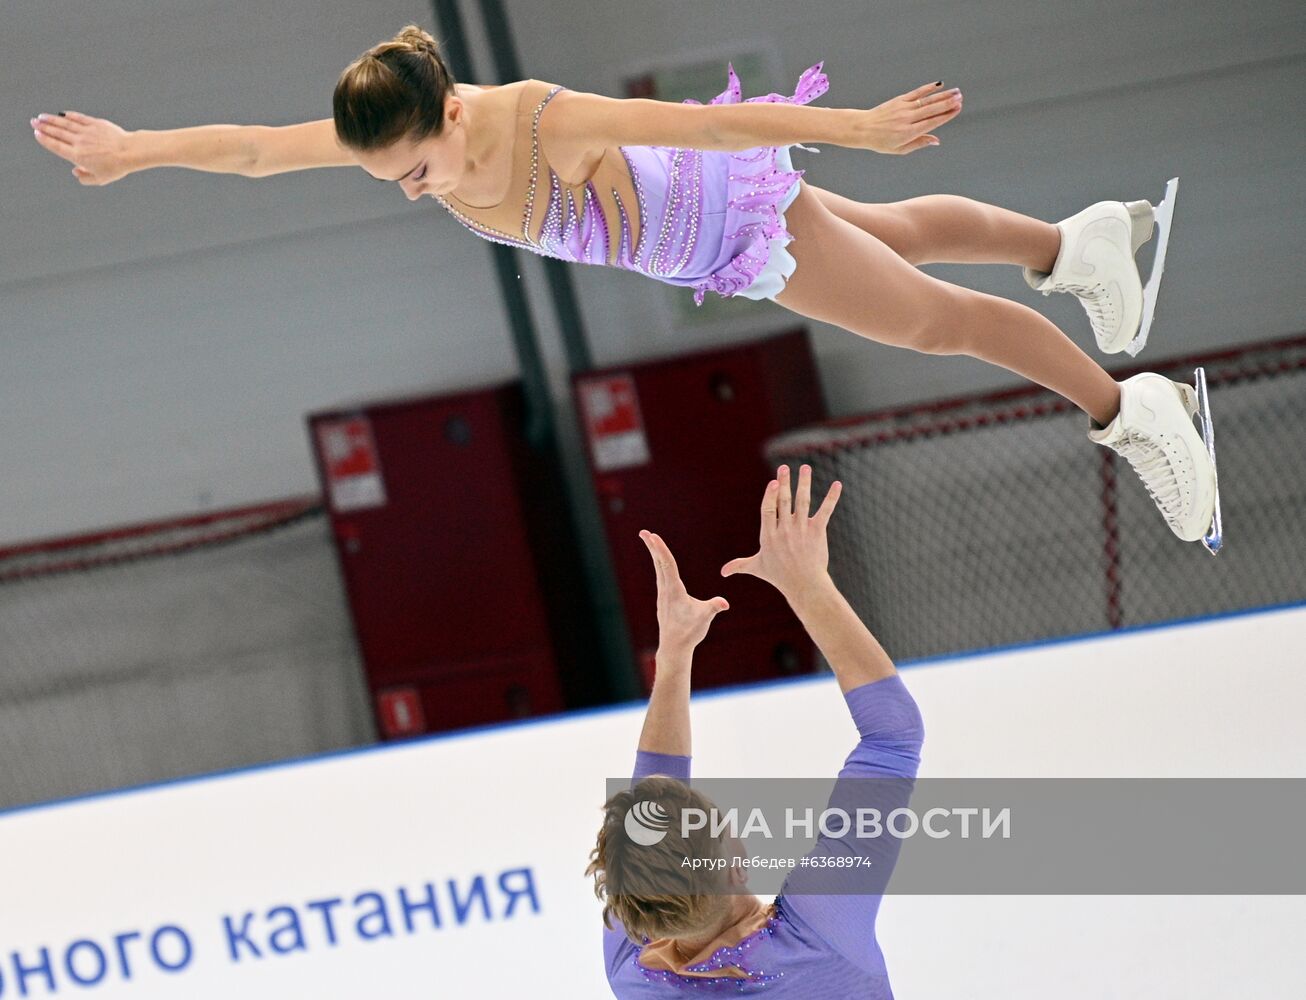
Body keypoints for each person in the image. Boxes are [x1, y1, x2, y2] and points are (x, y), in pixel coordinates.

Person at [30, 24, 1216, 544]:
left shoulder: (537, 118)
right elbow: (249, 144)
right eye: (389, 178)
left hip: (732, 223)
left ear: (451, 113)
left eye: (420, 167)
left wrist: (851, 121)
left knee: (936, 320)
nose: (409, 190)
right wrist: (134, 151)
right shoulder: (397, 137)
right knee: (905, 238)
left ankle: (1130, 409)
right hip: (713, 237)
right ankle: (1079, 246)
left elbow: (689, 123)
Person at [588, 463, 922, 995]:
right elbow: (892, 737)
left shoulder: (633, 969)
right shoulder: (817, 935)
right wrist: (808, 586)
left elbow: (648, 820)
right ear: (737, 861)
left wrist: (674, 659)